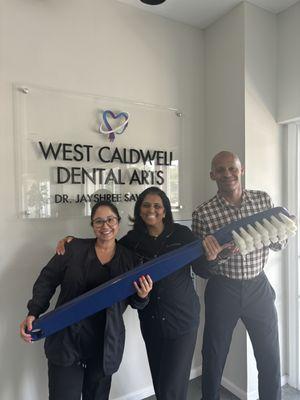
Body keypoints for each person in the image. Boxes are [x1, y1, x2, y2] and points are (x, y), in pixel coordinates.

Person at [56, 186, 210, 400]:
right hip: (152, 321)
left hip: (182, 320)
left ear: (165, 210)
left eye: (157, 206)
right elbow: (106, 244)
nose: (151, 210)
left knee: (172, 388)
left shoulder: (183, 235)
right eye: (146, 205)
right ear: (139, 210)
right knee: (159, 381)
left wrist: (212, 256)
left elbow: (204, 270)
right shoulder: (131, 241)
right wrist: (73, 241)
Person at [20, 200, 152, 400]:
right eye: (98, 221)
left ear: (118, 222)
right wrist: (33, 312)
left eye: (110, 220)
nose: (105, 226)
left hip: (104, 347)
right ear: (92, 225)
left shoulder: (131, 260)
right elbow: (47, 280)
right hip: (67, 342)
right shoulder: (73, 249)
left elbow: (136, 302)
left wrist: (143, 296)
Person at [192, 151, 287, 400]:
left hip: (259, 287)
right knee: (213, 355)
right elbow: (201, 267)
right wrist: (218, 255)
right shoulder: (203, 213)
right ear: (212, 175)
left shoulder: (262, 200)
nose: (227, 174)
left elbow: (277, 244)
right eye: (220, 170)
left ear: (241, 170)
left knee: (269, 356)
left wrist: (283, 232)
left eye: (232, 168)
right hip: (223, 289)